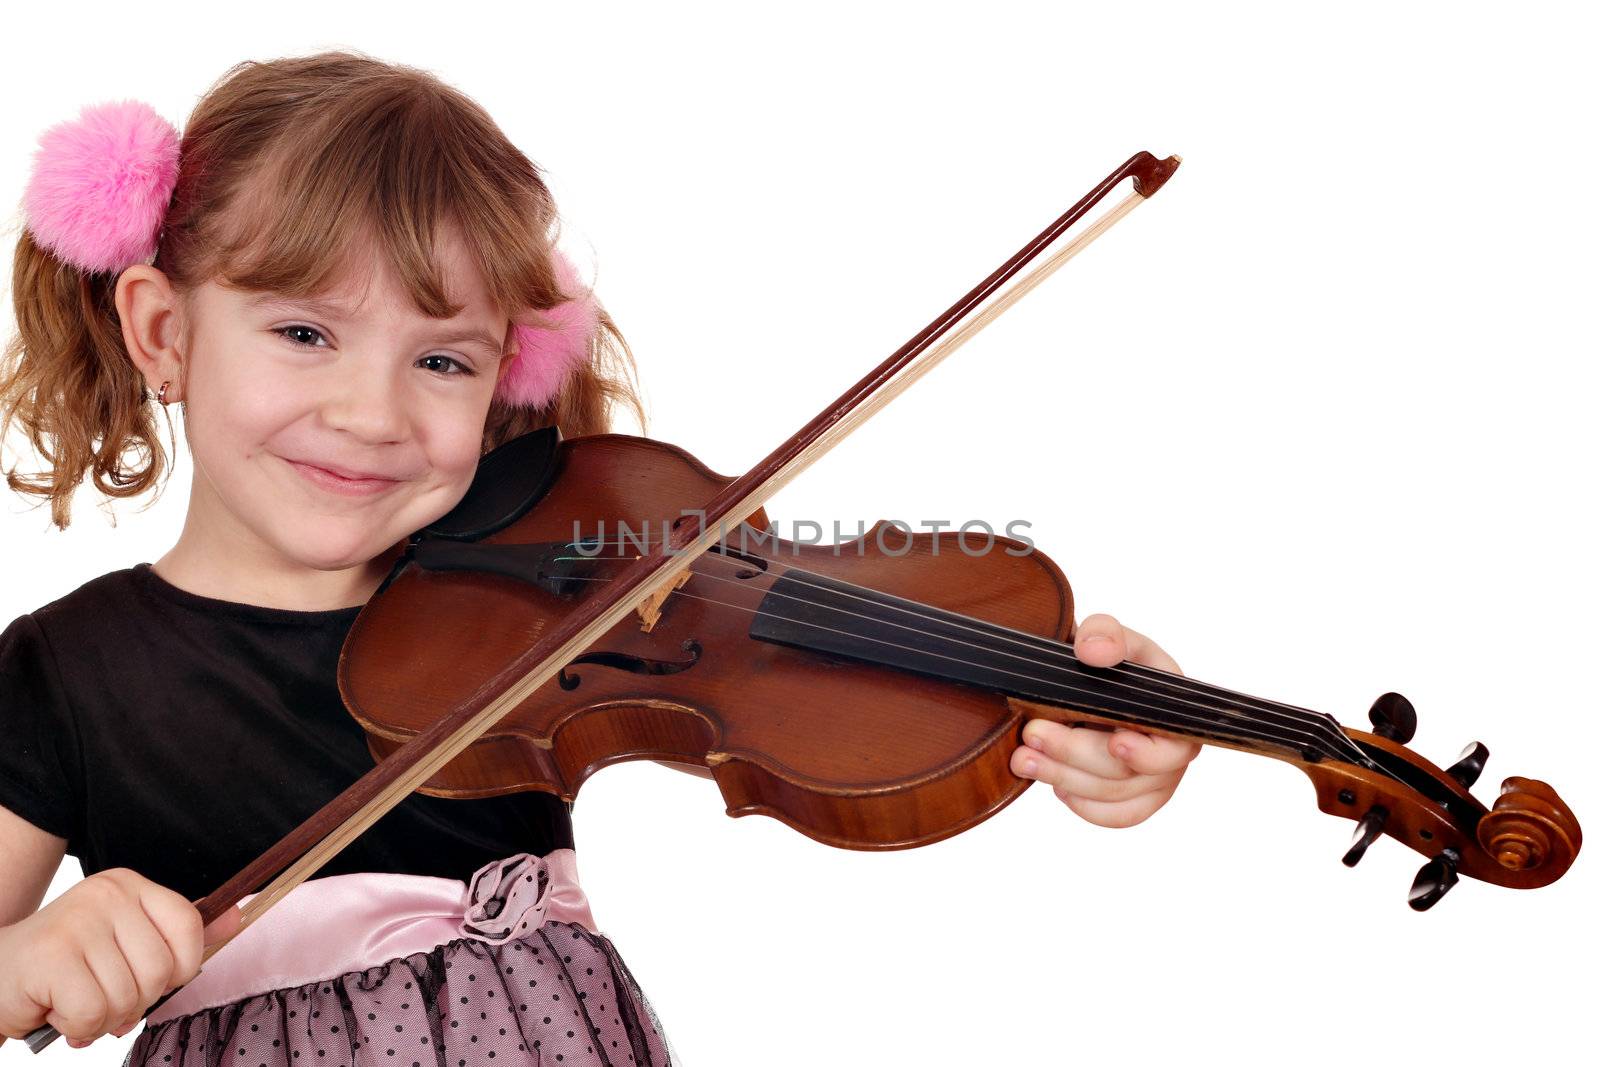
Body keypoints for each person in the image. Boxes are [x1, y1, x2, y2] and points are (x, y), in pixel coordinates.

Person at [0, 51, 1201, 1066]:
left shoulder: (557, 599)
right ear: (164, 330)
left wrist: (1060, 706)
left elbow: (831, 697)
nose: (372, 412)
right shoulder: (66, 671)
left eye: (443, 360)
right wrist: (23, 962)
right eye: (305, 332)